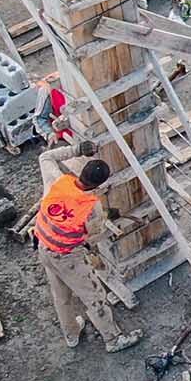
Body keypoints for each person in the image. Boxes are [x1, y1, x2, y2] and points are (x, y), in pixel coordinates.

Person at [35, 144, 142, 352]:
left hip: (43, 247)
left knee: (61, 294)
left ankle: (71, 333)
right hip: (68, 258)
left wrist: (78, 149)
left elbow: (46, 156)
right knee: (94, 297)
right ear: (97, 185)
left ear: (81, 173)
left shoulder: (56, 181)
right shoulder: (91, 208)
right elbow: (94, 232)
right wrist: (114, 215)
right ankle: (113, 340)